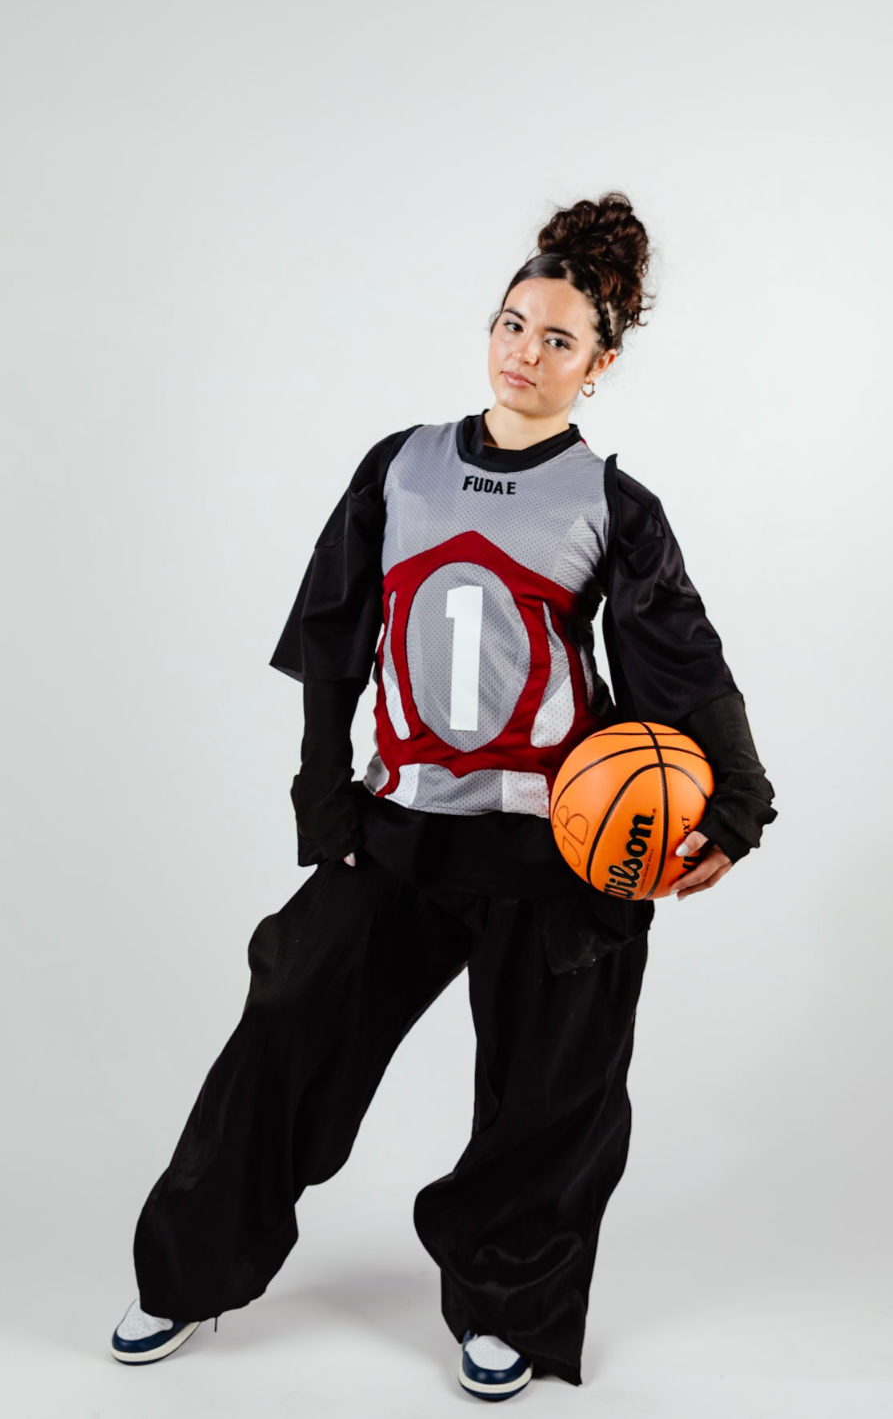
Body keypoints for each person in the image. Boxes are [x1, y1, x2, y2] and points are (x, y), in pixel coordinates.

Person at [110, 194, 776, 1399]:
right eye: (511, 324)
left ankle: (504, 1297)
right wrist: (324, 795)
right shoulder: (401, 467)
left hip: (550, 855)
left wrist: (735, 802)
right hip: (401, 835)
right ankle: (188, 1271)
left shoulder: (611, 506)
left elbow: (680, 663)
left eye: (557, 339)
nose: (524, 352)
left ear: (599, 364)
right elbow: (331, 636)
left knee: (553, 1090)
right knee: (286, 1025)